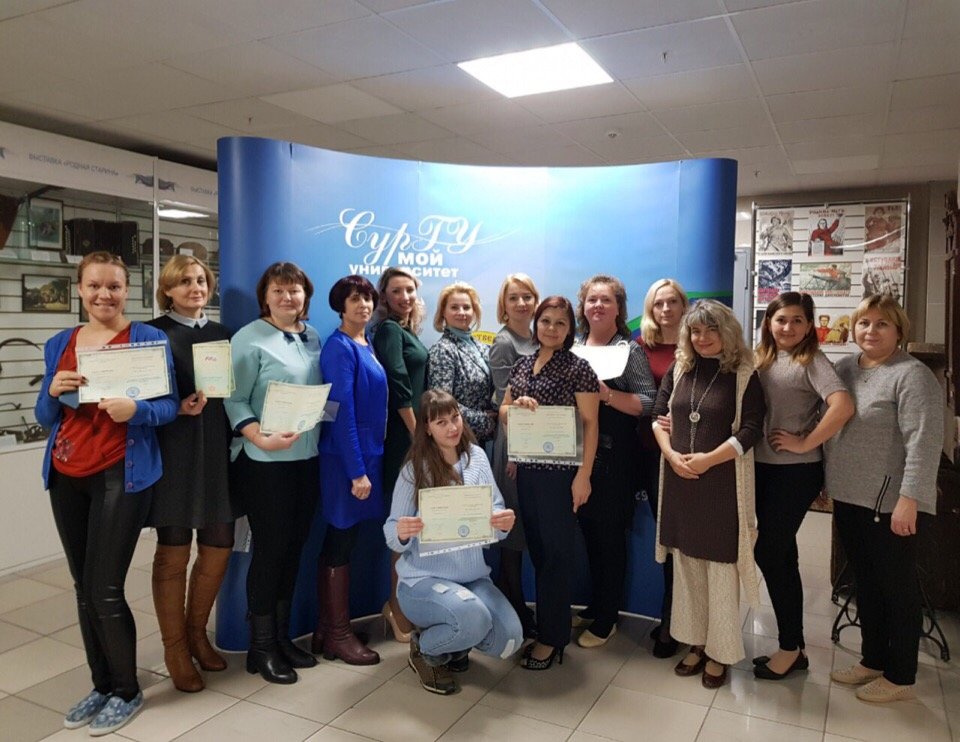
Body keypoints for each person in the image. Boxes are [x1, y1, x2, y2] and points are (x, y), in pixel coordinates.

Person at [36, 251, 178, 734]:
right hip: (66, 474)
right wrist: (51, 391)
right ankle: (101, 685)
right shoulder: (60, 342)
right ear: (80, 289)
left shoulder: (148, 338)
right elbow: (45, 417)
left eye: (114, 286)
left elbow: (168, 407)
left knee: (105, 588)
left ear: (127, 290)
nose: (104, 295)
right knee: (82, 587)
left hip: (122, 473)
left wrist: (138, 410)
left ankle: (126, 689)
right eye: (94, 286)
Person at [825, 294, 943, 703]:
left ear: (898, 330)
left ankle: (901, 675)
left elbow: (924, 441)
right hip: (849, 496)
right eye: (864, 323)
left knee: (897, 589)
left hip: (890, 503)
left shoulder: (911, 375)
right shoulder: (844, 368)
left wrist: (911, 498)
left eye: (882, 324)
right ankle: (872, 659)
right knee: (865, 583)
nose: (871, 331)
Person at [651, 300, 765, 689]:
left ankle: (720, 652)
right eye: (696, 331)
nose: (702, 338)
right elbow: (657, 416)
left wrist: (707, 460)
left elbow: (751, 430)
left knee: (720, 570)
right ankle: (697, 644)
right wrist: (671, 456)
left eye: (711, 330)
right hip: (681, 482)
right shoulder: (680, 368)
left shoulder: (744, 374)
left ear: (727, 332)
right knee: (687, 569)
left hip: (720, 487)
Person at [385, 389, 522, 695]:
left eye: (455, 417)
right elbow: (391, 531)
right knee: (474, 617)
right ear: (427, 428)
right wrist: (403, 531)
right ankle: (425, 650)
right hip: (423, 581)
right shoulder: (414, 469)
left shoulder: (477, 458)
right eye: (441, 422)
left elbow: (495, 510)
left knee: (510, 639)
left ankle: (454, 646)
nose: (452, 427)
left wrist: (502, 523)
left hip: (472, 578)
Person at [224, 262, 322, 684]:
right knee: (271, 551)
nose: (287, 297)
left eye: (294, 290)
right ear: (265, 296)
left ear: (305, 296)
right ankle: (260, 647)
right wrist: (258, 437)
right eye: (278, 291)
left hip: (306, 457)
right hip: (264, 463)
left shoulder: (311, 335)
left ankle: (281, 639)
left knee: (294, 547)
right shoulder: (248, 338)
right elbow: (233, 399)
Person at [147, 255, 239, 693]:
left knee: (219, 545)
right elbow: (142, 399)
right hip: (175, 452)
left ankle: (197, 633)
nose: (195, 287)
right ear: (167, 289)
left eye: (201, 280)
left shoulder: (223, 334)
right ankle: (175, 649)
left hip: (218, 451)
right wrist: (176, 408)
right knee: (174, 551)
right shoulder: (152, 334)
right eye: (184, 281)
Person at [751, 292, 853, 680]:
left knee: (769, 552)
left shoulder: (812, 360)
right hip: (762, 467)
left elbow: (843, 405)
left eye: (797, 320)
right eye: (781, 320)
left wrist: (806, 442)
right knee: (782, 554)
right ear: (769, 323)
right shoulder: (763, 358)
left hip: (795, 471)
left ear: (810, 326)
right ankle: (795, 648)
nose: (788, 327)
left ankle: (790, 647)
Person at [500, 296, 599, 670]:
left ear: (570, 328)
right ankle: (548, 628)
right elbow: (504, 409)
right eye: (546, 321)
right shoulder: (523, 365)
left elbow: (590, 424)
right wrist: (516, 408)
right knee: (540, 553)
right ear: (536, 324)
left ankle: (553, 638)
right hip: (527, 473)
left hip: (562, 476)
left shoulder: (578, 368)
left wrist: (583, 476)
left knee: (556, 556)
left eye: (561, 323)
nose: (552, 328)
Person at [572, 275, 656, 647]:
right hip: (579, 456)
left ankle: (607, 619)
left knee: (609, 538)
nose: (598, 306)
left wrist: (606, 395)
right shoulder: (573, 346)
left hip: (616, 458)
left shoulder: (629, 351)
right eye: (592, 299)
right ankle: (596, 606)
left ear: (619, 308)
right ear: (583, 306)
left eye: (606, 300)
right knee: (589, 533)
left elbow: (649, 402)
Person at [311, 276, 387, 666]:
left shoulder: (365, 342)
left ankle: (327, 630)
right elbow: (339, 413)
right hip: (345, 461)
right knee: (340, 540)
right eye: (355, 299)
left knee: (344, 539)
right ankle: (339, 635)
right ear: (340, 305)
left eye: (368, 298)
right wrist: (356, 472)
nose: (363, 305)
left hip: (365, 457)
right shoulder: (339, 347)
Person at [371, 266, 428, 643]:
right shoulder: (390, 330)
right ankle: (396, 609)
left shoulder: (407, 331)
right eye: (396, 291)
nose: (405, 297)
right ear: (384, 296)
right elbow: (398, 384)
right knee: (403, 526)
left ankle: (407, 604)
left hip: (416, 437)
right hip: (404, 439)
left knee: (416, 527)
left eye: (409, 290)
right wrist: (416, 434)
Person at [638, 278, 689, 658]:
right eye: (659, 303)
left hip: (688, 455)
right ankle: (671, 617)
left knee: (682, 541)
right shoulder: (640, 347)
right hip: (647, 453)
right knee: (664, 540)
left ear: (684, 306)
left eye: (672, 302)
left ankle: (677, 622)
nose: (666, 309)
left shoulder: (699, 343)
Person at [489, 273, 539, 638]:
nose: (521, 303)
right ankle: (515, 604)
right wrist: (517, 450)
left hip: (541, 443)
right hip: (513, 444)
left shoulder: (539, 337)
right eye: (514, 298)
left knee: (529, 521)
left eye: (527, 297)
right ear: (503, 305)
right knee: (512, 524)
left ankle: (515, 601)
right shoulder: (504, 342)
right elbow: (503, 401)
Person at [427, 282, 497, 445]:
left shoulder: (481, 347)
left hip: (481, 440)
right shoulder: (442, 350)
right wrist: (485, 421)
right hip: (457, 439)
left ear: (474, 311)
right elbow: (441, 404)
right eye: (454, 307)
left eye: (466, 307)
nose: (461, 312)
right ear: (443, 312)